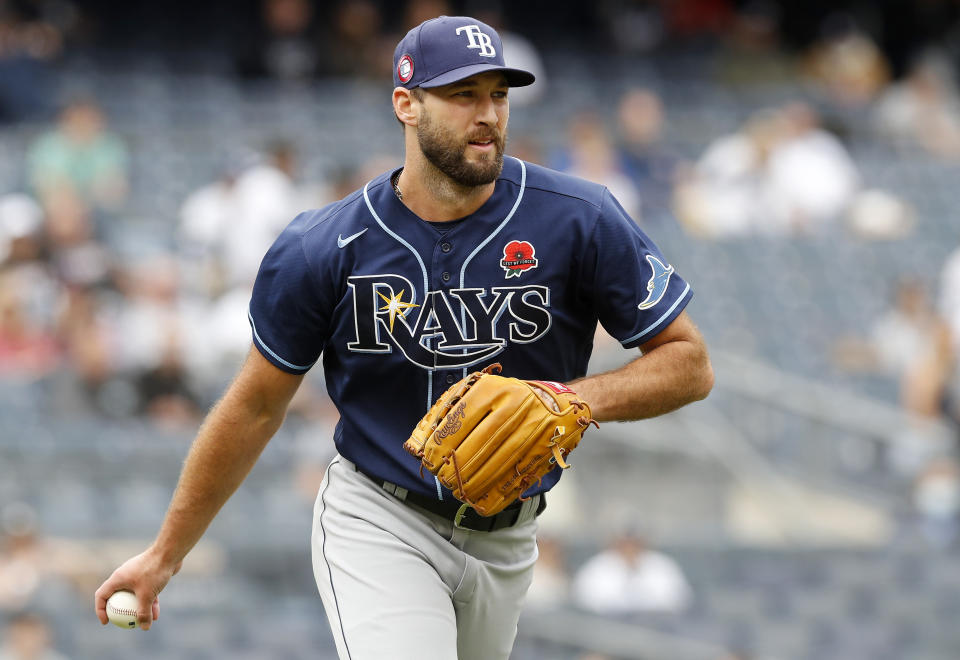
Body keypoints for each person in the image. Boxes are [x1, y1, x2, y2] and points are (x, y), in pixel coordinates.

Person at [94, 15, 713, 660]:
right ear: (406, 104)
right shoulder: (322, 246)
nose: (487, 115)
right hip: (378, 516)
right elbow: (254, 405)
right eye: (462, 94)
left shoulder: (579, 218)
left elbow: (689, 363)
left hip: (509, 537)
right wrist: (165, 554)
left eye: (498, 95)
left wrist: (572, 400)